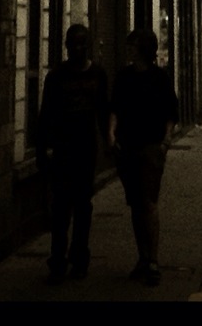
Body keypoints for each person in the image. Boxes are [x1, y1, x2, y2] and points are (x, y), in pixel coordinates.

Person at [36, 25, 109, 282]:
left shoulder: (98, 74)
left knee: (82, 206)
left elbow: (103, 111)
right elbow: (46, 114)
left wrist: (109, 142)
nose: (77, 49)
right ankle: (58, 259)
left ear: (88, 45)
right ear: (66, 46)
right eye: (73, 44)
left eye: (81, 44)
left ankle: (78, 258)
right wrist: (43, 148)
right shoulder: (56, 77)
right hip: (63, 148)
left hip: (85, 148)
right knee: (61, 207)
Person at [110, 28, 180, 286]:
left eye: (133, 45)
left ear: (143, 49)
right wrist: (111, 134)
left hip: (150, 148)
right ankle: (143, 256)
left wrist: (165, 141)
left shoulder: (159, 78)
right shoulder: (123, 77)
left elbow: (171, 111)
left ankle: (153, 260)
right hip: (127, 147)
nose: (129, 49)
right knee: (136, 204)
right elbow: (115, 108)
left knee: (149, 202)